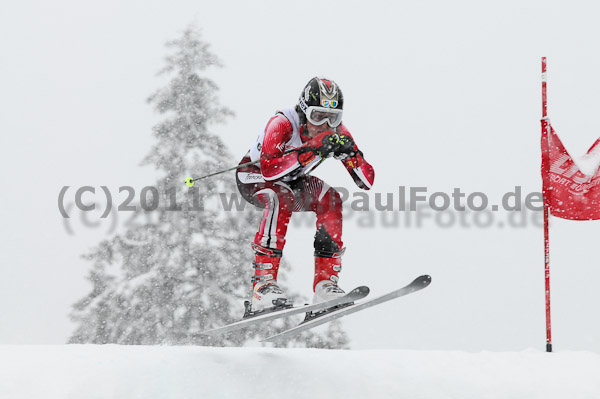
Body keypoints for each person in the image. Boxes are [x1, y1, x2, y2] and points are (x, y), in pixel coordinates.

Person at [236, 77, 375, 312]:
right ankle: (263, 285)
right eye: (318, 116)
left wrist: (352, 155)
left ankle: (324, 286)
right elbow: (270, 171)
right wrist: (311, 150)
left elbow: (366, 180)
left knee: (331, 200)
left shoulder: (337, 131)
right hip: (255, 178)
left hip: (292, 181)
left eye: (333, 118)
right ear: (303, 111)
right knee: (281, 197)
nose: (325, 124)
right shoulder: (281, 123)